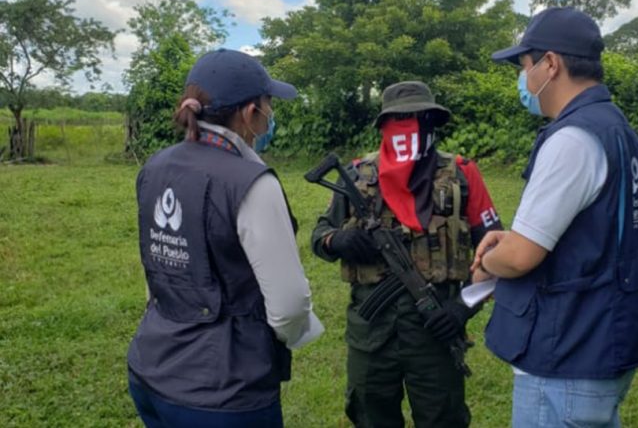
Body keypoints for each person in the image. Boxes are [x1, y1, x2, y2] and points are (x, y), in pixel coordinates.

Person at [470, 7, 638, 427]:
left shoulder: (572, 139)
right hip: (604, 336)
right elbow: (592, 231)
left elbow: (520, 257)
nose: (523, 79)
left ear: (550, 64)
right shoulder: (615, 128)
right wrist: (514, 240)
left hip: (568, 351)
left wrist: (487, 263)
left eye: (525, 66)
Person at [127, 48, 324, 427]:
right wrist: (291, 335)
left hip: (149, 370)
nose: (271, 115)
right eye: (268, 105)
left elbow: (156, 273)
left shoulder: (155, 166)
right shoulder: (251, 183)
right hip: (225, 394)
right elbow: (288, 305)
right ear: (250, 113)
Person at [311, 81, 503, 428]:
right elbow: (319, 236)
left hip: (435, 328)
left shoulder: (462, 175)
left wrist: (462, 307)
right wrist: (338, 241)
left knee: (443, 419)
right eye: (400, 119)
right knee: (370, 416)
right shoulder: (355, 177)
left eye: (419, 118)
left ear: (433, 123)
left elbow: (497, 253)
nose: (409, 127)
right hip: (370, 333)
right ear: (384, 126)